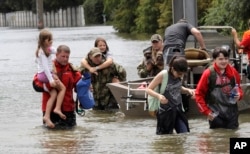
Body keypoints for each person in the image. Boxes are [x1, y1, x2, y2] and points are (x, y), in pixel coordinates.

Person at [33, 45, 82, 129]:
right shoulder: (48, 68)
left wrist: (87, 87)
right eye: (63, 56)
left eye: (67, 57)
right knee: (49, 140)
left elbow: (79, 86)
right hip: (50, 111)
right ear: (56, 55)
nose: (65, 59)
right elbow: (36, 84)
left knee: (71, 138)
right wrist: (51, 85)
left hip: (68, 110)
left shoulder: (72, 70)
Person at [195, 47, 243, 129]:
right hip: (215, 114)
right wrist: (207, 112)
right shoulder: (208, 73)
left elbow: (238, 87)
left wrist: (239, 95)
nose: (224, 61)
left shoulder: (233, 72)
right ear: (214, 60)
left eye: (226, 59)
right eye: (220, 59)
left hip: (232, 113)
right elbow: (198, 94)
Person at [146, 56, 195, 135]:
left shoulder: (180, 75)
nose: (180, 76)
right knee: (165, 137)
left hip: (178, 108)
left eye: (182, 74)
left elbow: (177, 87)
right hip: (165, 111)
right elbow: (148, 89)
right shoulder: (163, 75)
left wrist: (187, 90)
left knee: (184, 133)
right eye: (179, 74)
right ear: (172, 68)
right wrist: (159, 96)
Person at [35, 29, 66, 128]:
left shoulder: (46, 49)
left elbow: (54, 50)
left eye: (52, 40)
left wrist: (56, 50)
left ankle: (47, 116)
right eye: (49, 40)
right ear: (44, 41)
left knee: (53, 93)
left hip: (45, 74)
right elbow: (45, 68)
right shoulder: (41, 52)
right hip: (45, 75)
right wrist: (51, 80)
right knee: (62, 88)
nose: (51, 41)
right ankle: (57, 109)